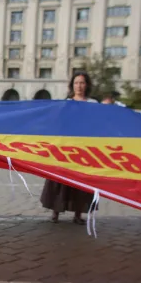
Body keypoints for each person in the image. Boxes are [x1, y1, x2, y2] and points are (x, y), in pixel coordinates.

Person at [40, 71, 96, 224]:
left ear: (87, 85)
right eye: (76, 83)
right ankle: (55, 212)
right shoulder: (66, 103)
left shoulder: (93, 104)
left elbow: (97, 125)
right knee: (60, 180)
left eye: (82, 83)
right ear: (72, 85)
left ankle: (78, 214)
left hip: (85, 148)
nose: (79, 86)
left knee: (82, 182)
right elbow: (58, 124)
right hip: (66, 147)